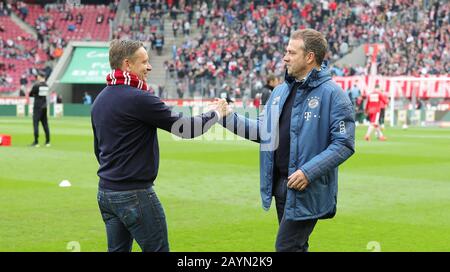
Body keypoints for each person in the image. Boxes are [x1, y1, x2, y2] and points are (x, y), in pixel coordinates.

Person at [221, 29, 355, 252]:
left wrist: (308, 172)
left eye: (291, 52)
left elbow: (344, 144)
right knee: (296, 247)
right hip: (280, 186)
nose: (285, 57)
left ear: (309, 56)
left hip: (306, 188)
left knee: (286, 246)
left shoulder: (333, 94)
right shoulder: (280, 92)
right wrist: (228, 118)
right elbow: (264, 133)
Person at [91, 40, 227, 252]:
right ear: (127, 65)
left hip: (106, 193)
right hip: (134, 194)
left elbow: (98, 150)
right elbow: (186, 129)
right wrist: (216, 113)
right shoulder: (139, 98)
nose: (150, 66)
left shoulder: (100, 99)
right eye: (144, 62)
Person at [29, 72, 50, 147]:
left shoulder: (36, 85)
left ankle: (36, 142)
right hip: (44, 106)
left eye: (38, 76)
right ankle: (48, 141)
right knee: (45, 124)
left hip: (37, 107)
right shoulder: (47, 85)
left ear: (40, 77)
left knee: (35, 123)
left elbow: (30, 94)